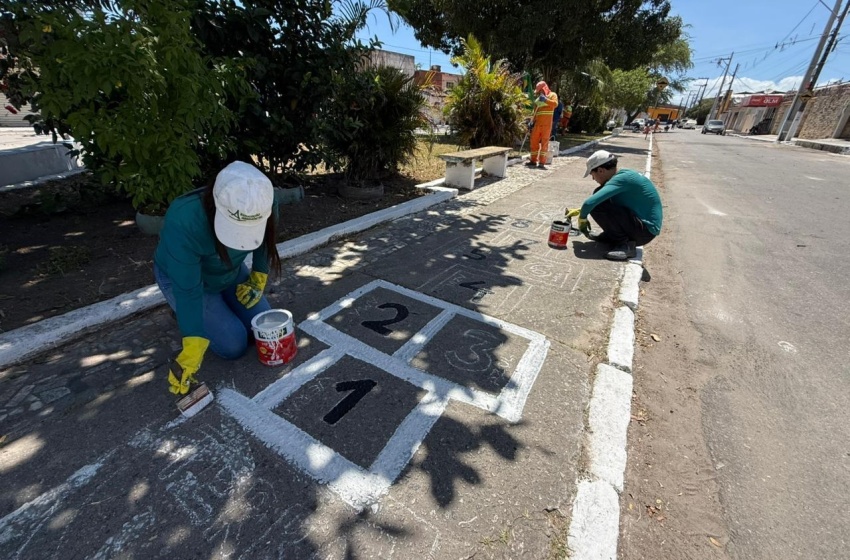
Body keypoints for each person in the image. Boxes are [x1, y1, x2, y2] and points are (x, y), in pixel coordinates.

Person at [153, 161, 283, 396]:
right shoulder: (184, 220)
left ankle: (215, 309)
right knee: (234, 345)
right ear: (215, 206)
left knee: (262, 329)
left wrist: (258, 275)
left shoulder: (263, 200)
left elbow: (265, 241)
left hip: (228, 270)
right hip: (187, 280)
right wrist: (192, 345)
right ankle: (181, 311)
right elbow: (188, 289)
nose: (241, 239)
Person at [565, 150, 662, 261]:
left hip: (645, 232)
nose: (593, 179)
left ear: (600, 170)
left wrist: (582, 218)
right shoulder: (623, 175)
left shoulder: (622, 179)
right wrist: (582, 209)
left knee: (597, 205)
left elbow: (589, 203)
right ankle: (612, 236)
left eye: (592, 174)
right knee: (599, 194)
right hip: (640, 227)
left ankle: (625, 245)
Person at [525, 81, 558, 169]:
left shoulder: (552, 95)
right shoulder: (538, 100)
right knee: (533, 142)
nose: (539, 93)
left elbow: (555, 104)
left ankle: (542, 162)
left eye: (540, 91)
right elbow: (535, 112)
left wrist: (546, 100)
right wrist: (531, 121)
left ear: (544, 88)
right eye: (539, 91)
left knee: (544, 143)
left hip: (547, 125)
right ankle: (533, 160)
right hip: (537, 124)